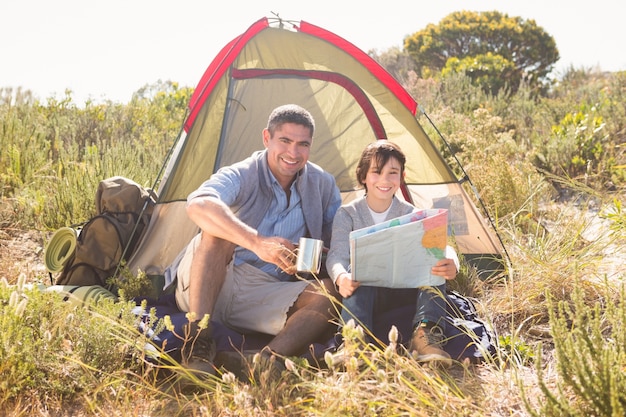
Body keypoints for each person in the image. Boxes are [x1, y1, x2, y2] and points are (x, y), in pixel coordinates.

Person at [169, 104, 342, 375]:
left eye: (303, 144)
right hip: (212, 281)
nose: (293, 153)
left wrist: (311, 258)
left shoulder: (322, 184)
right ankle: (197, 344)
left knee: (330, 292)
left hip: (266, 291)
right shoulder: (243, 173)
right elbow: (198, 205)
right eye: (285, 141)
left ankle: (263, 361)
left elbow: (338, 242)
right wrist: (257, 243)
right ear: (266, 138)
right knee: (217, 232)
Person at [326, 140, 459, 366]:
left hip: (405, 290)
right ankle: (354, 342)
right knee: (356, 270)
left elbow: (441, 247)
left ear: (402, 177)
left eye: (393, 173)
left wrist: (452, 260)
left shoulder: (413, 214)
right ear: (363, 176)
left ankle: (425, 336)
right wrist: (341, 277)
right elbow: (336, 255)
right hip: (367, 295)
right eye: (376, 172)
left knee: (433, 264)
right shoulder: (347, 214)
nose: (385, 180)